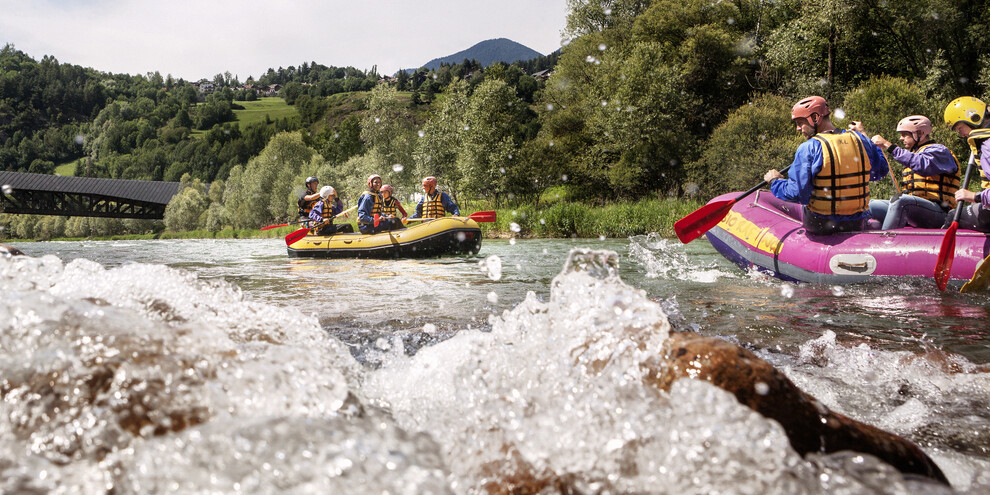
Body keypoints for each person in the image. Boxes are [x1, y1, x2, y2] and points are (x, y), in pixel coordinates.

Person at [764, 96, 889, 235]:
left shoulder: (809, 147)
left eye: (800, 123)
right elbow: (880, 171)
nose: (798, 129)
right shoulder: (860, 139)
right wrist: (869, 141)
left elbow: (799, 194)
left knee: (803, 206)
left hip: (821, 225)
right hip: (856, 223)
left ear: (815, 118)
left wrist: (775, 181)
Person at [851, 116, 959, 230]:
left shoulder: (940, 151)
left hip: (940, 213)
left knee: (902, 201)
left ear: (920, 133)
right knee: (869, 205)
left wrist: (888, 145)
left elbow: (922, 165)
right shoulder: (914, 153)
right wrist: (862, 133)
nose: (901, 139)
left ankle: (886, 242)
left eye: (904, 135)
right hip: (915, 210)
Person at [942, 96, 990, 233]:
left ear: (973, 118)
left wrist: (974, 196)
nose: (962, 135)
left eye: (960, 128)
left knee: (952, 215)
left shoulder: (987, 146)